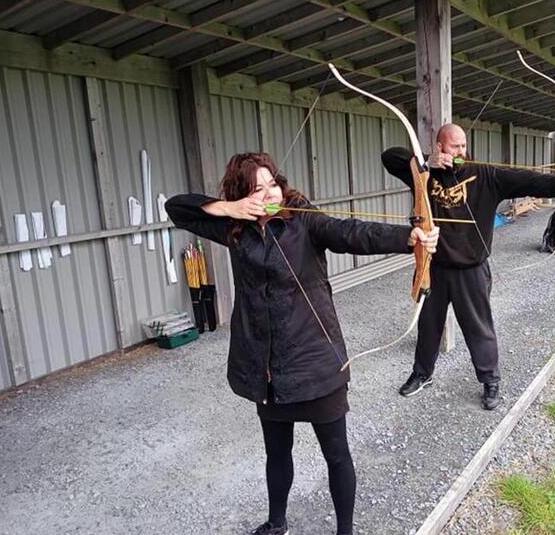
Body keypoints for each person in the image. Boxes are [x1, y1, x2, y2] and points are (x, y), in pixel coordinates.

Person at [165, 152, 439, 535]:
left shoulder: (304, 220)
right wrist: (231, 207)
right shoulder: (234, 228)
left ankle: (346, 530)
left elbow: (350, 233)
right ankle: (277, 523)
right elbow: (177, 208)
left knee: (337, 455)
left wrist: (409, 238)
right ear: (241, 195)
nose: (268, 193)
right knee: (277, 453)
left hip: (315, 362)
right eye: (256, 189)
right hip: (268, 370)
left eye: (272, 183)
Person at [381, 123, 555, 410]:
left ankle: (490, 381)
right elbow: (390, 157)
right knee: (428, 326)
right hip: (433, 267)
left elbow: (527, 180)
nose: (462, 151)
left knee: (479, 328)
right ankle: (422, 373)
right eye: (455, 146)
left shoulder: (486, 175)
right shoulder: (423, 175)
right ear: (440, 147)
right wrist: (426, 163)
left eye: (464, 146)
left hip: (471, 269)